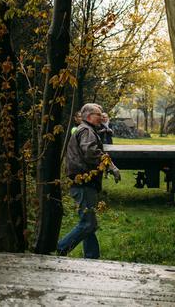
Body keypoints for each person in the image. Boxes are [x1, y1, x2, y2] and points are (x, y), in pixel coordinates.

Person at [57, 103, 120, 258]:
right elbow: (91, 152)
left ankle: (91, 257)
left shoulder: (87, 129)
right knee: (88, 223)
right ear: (89, 116)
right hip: (83, 182)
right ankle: (60, 248)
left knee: (89, 223)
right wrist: (110, 166)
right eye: (98, 114)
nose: (101, 117)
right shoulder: (86, 130)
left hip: (83, 182)